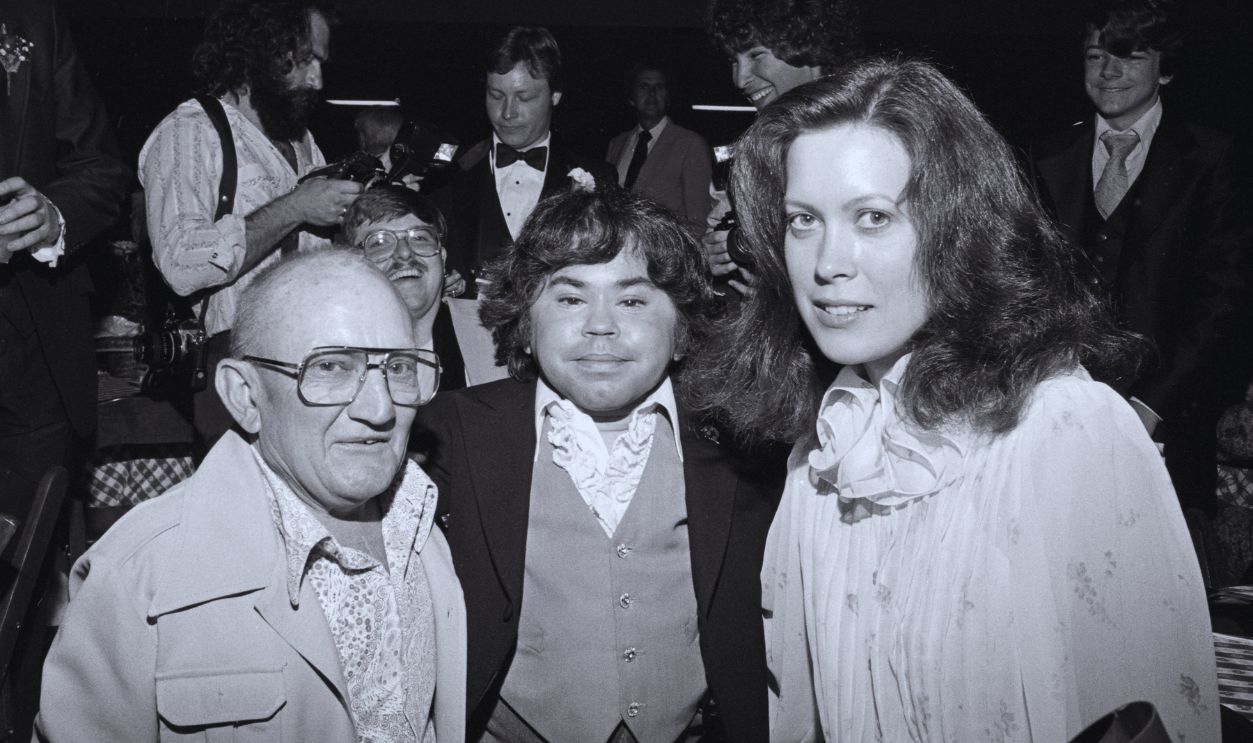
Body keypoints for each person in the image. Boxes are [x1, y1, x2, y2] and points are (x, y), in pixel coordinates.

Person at [687, 58, 1218, 741]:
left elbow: (1146, 709)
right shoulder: (828, 445)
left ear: (958, 228)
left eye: (872, 217)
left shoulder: (1064, 429)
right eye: (802, 220)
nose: (826, 262)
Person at [36, 250, 465, 742]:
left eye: (400, 367)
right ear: (245, 396)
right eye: (329, 367)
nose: (380, 407)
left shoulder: (425, 531)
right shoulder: (141, 578)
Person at [416, 187, 782, 742]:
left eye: (633, 301)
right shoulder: (452, 433)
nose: (600, 326)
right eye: (569, 300)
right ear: (525, 322)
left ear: (682, 326)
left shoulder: (740, 441)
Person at [1032, 0, 1253, 513]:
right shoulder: (1044, 156)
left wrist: (1152, 405)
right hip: (1053, 420)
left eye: (1128, 56)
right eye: (1094, 56)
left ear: (1166, 69)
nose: (1109, 72)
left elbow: (1225, 301)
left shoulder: (1213, 159)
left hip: (1166, 425)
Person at [140, 0, 362, 452]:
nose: (316, 80)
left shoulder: (302, 141)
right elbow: (182, 264)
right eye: (302, 62)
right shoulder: (189, 132)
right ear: (256, 52)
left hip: (311, 360)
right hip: (236, 369)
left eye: (320, 63)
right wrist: (297, 207)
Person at [0, 0, 130, 517]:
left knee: (24, 573)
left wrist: (53, 215)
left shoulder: (34, 18)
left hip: (31, 356)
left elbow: (100, 166)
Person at [436, 26, 614, 297]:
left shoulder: (600, 178)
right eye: (496, 96)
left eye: (525, 97)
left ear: (556, 95)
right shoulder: (446, 173)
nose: (507, 112)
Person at [701, 0, 863, 296]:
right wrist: (719, 259)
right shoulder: (760, 147)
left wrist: (786, 292)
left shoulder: (865, 134)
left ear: (808, 41)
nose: (740, 78)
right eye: (733, 61)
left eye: (756, 54)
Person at [339, 185, 467, 390]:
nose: (405, 253)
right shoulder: (335, 356)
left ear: (442, 258)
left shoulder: (489, 340)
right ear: (351, 264)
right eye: (379, 242)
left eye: (419, 238)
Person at [605, 62, 713, 233]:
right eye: (643, 86)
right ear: (631, 98)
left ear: (668, 97)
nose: (652, 93)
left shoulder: (690, 144)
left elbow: (699, 222)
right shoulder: (616, 144)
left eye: (659, 87)